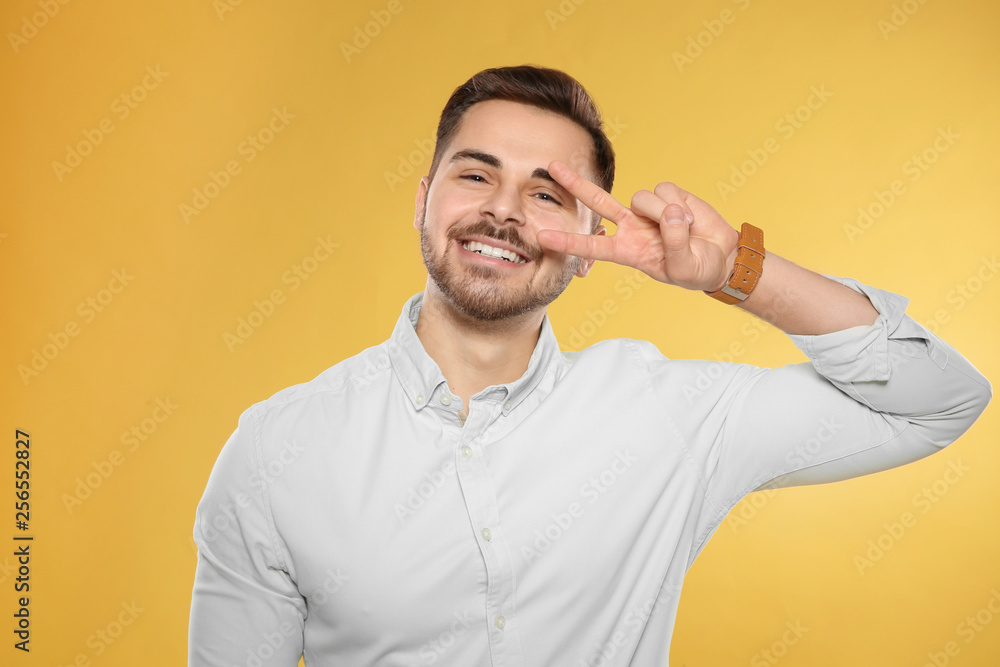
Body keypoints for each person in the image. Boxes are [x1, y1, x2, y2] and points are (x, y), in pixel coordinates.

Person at [188, 65, 991, 666]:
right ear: (424, 198)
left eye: (546, 194)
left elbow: (935, 402)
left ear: (589, 251)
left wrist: (733, 273)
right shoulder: (275, 451)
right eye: (476, 174)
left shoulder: (671, 417)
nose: (502, 209)